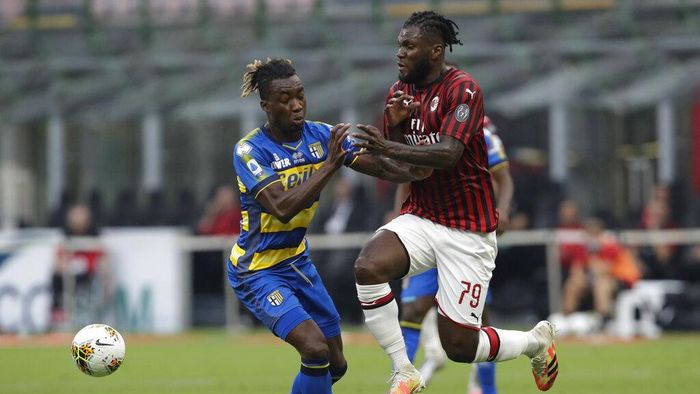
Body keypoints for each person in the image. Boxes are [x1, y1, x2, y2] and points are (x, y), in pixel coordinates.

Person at [349, 11, 558, 393]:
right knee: (368, 266)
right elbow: (402, 166)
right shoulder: (400, 92)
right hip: (422, 217)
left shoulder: (463, 89)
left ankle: (535, 342)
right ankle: (404, 370)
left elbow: (448, 154)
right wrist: (392, 129)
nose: (400, 53)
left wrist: (385, 141)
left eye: (409, 46)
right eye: (399, 45)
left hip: (468, 231)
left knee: (460, 346)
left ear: (435, 50)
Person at [229, 58, 430, 394]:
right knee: (315, 349)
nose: (296, 105)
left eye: (300, 95)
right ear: (266, 106)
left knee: (336, 363)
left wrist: (412, 158)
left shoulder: (321, 135)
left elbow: (384, 168)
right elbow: (282, 207)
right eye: (285, 99)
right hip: (257, 269)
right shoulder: (249, 150)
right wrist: (331, 165)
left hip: (296, 262)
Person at [395, 116, 514, 394]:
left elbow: (503, 179)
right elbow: (405, 174)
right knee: (413, 309)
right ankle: (400, 380)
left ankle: (487, 387)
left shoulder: (481, 132)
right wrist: (398, 211)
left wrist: (503, 211)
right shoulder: (421, 130)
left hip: (465, 235)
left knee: (478, 318)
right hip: (426, 229)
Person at [50, 203, 112, 331]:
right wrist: (64, 267)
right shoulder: (66, 237)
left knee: (91, 285)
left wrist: (105, 278)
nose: (78, 219)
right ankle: (57, 316)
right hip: (68, 275)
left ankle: (94, 324)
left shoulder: (94, 236)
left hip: (88, 276)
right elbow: (57, 262)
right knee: (56, 279)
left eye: (81, 215)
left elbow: (103, 261)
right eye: (75, 215)